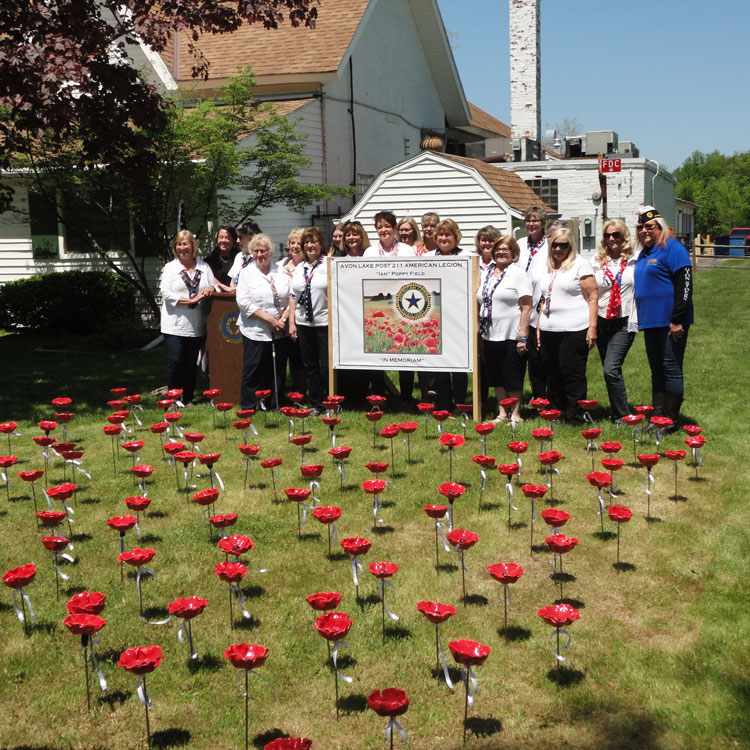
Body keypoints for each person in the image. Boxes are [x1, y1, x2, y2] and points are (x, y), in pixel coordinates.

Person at [633, 206, 693, 425]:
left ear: (660, 227)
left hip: (671, 322)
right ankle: (658, 415)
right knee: (656, 369)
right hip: (651, 322)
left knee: (671, 367)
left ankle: (670, 418)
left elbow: (684, 285)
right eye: (640, 227)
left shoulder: (672, 248)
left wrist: (677, 319)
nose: (644, 231)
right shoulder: (645, 253)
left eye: (649, 226)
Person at [536, 224, 598, 425]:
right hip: (548, 329)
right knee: (552, 373)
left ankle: (576, 415)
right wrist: (538, 328)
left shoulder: (581, 264)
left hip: (574, 329)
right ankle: (556, 412)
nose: (558, 249)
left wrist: (593, 327)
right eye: (554, 245)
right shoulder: (548, 267)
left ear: (570, 246)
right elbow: (544, 299)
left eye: (563, 245)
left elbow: (592, 296)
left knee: (571, 373)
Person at [477, 235, 532, 424]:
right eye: (498, 249)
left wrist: (522, 335)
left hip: (511, 333)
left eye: (506, 249)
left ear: (514, 252)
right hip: (489, 334)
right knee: (496, 376)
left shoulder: (517, 274)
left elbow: (526, 306)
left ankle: (515, 414)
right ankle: (502, 413)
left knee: (512, 375)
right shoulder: (486, 273)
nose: (501, 252)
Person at [159, 230, 217, 406]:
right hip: (174, 324)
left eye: (186, 244)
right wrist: (191, 300)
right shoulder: (171, 268)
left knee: (191, 363)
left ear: (193, 246)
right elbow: (166, 293)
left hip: (196, 323)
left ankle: (188, 398)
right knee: (176, 360)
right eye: (179, 244)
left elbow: (213, 285)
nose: (182, 247)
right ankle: (173, 397)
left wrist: (209, 290)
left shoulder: (203, 266)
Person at [236, 233, 291, 410]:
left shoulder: (281, 271)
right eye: (256, 251)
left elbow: (292, 296)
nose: (260, 254)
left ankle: (275, 404)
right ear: (252, 252)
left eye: (264, 251)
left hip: (279, 329)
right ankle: (249, 406)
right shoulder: (246, 273)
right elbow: (243, 302)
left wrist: (281, 320)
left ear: (270, 252)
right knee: (253, 369)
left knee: (277, 370)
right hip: (255, 330)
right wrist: (269, 320)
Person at [593, 218, 639, 421]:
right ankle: (616, 410)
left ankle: (623, 415)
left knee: (611, 368)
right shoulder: (596, 261)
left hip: (623, 319)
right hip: (601, 319)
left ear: (624, 236)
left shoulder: (635, 261)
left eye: (616, 235)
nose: (612, 239)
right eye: (607, 235)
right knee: (608, 368)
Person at [289, 227, 329, 414]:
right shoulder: (299, 269)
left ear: (321, 244)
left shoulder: (328, 264)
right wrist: (291, 323)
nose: (310, 245)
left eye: (314, 241)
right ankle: (316, 403)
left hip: (324, 323)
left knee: (326, 366)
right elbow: (292, 297)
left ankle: (331, 401)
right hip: (304, 323)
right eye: (307, 242)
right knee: (310, 366)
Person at [431, 218, 468, 411]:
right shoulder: (428, 258)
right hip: (434, 319)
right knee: (441, 364)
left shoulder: (467, 257)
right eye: (441, 234)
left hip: (459, 318)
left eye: (448, 234)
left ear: (456, 236)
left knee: (460, 364)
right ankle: (444, 403)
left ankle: (460, 404)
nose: (444, 238)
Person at [519, 206, 549, 400]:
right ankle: (534, 396)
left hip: (541, 304)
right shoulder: (520, 244)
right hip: (522, 305)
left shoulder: (549, 245)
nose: (531, 224)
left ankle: (546, 396)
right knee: (527, 354)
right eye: (528, 220)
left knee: (541, 354)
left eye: (535, 220)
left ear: (543, 223)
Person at [205, 225, 240, 291]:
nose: (223, 240)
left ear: (233, 241)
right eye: (221, 237)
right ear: (216, 240)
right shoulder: (209, 261)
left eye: (227, 238)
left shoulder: (240, 259)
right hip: (216, 298)